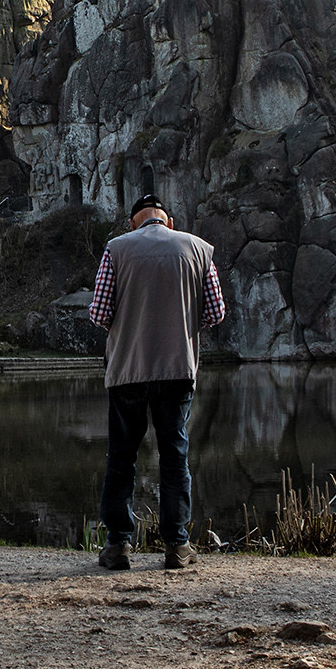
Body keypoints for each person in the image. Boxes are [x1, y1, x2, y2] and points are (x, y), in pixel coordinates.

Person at [87, 193, 226, 571]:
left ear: (134, 222)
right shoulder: (199, 249)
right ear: (169, 221)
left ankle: (118, 546)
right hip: (177, 369)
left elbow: (99, 314)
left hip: (127, 371)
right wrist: (178, 321)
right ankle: (177, 547)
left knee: (121, 459)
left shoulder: (116, 249)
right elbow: (215, 313)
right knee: (175, 457)